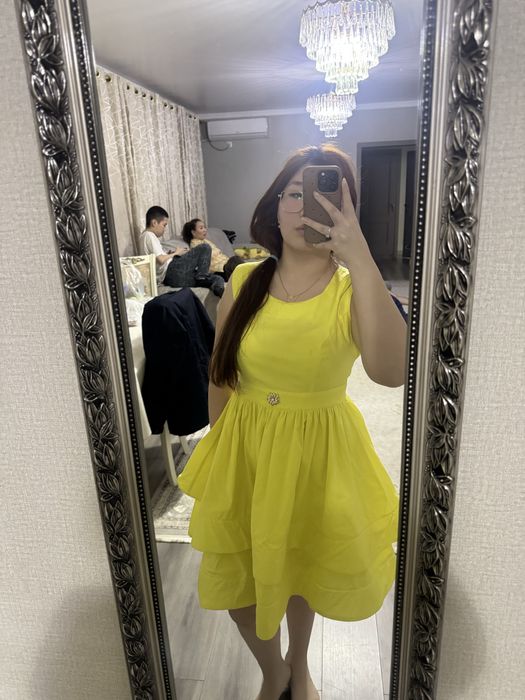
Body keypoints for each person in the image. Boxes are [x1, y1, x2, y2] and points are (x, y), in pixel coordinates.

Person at [178, 145, 407, 700]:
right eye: (294, 193)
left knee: (300, 567)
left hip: (317, 452)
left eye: (326, 194)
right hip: (245, 447)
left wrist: (360, 256)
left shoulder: (353, 290)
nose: (306, 206)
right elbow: (221, 376)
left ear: (346, 209)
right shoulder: (244, 281)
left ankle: (298, 665)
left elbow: (391, 371)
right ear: (274, 207)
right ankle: (274, 670)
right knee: (240, 581)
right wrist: (217, 449)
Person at [139, 206, 224, 297]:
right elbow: (161, 259)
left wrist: (170, 253)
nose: (164, 229)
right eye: (164, 225)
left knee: (218, 279)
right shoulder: (149, 235)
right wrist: (176, 253)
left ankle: (217, 291)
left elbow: (158, 259)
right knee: (205, 247)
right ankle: (202, 277)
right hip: (172, 270)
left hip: (173, 280)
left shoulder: (144, 237)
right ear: (154, 223)